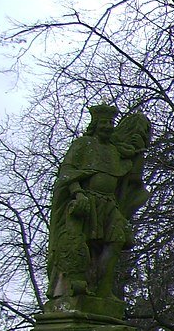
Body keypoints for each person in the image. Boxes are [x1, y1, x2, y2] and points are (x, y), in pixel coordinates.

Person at [47, 103, 151, 308]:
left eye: (110, 123)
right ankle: (75, 286)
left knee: (117, 240)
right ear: (94, 125)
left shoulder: (114, 150)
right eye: (103, 123)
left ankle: (103, 290)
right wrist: (77, 193)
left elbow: (130, 171)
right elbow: (68, 173)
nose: (107, 127)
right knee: (79, 244)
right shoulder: (83, 145)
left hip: (108, 204)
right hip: (85, 201)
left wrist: (138, 146)